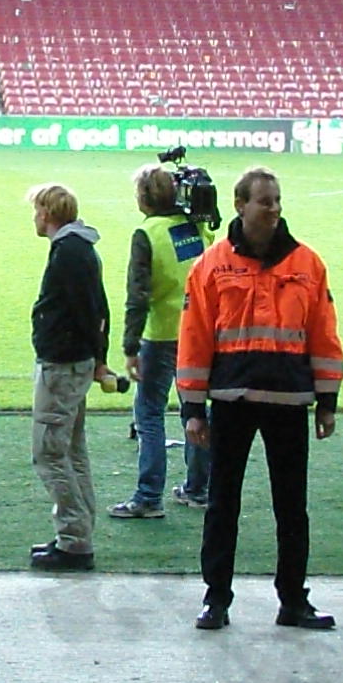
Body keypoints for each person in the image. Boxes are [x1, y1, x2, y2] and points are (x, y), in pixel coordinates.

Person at [177, 166, 343, 632]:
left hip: (289, 401)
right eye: (264, 201)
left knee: (291, 509)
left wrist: (328, 401)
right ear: (240, 205)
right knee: (222, 504)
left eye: (277, 200)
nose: (274, 209)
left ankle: (293, 600)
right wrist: (192, 409)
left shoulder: (308, 264)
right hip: (231, 401)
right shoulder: (210, 266)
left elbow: (324, 334)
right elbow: (194, 339)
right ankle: (216, 599)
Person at [110, 164, 210, 519]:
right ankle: (198, 489)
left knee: (149, 413)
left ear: (144, 197)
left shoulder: (147, 233)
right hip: (197, 332)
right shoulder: (196, 226)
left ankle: (149, 496)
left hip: (161, 333)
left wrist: (130, 346)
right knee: (195, 409)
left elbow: (137, 295)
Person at [25, 183, 110, 572]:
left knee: (50, 452)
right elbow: (98, 309)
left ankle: (75, 541)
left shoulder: (69, 253)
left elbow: (87, 311)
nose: (34, 217)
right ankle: (77, 534)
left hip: (62, 366)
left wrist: (96, 358)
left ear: (47, 213)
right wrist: (98, 360)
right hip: (73, 364)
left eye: (36, 210)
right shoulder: (78, 248)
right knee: (72, 451)